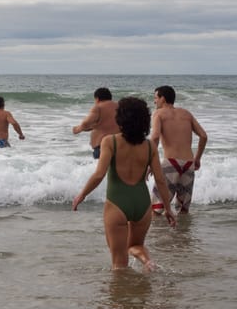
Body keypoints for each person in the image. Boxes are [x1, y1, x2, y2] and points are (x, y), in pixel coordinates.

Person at [73, 97, 177, 271]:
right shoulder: (150, 146)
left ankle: (120, 297)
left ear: (120, 118)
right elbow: (160, 180)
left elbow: (99, 174)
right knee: (135, 245)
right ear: (145, 120)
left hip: (117, 204)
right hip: (142, 204)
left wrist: (81, 195)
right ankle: (147, 261)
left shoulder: (110, 141)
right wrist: (167, 208)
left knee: (119, 263)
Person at [149, 85, 208, 214]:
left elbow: (155, 137)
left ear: (163, 99)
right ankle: (182, 234)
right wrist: (197, 158)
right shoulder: (186, 114)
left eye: (156, 98)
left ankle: (157, 234)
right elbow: (203, 136)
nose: (154, 101)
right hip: (188, 164)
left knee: (156, 209)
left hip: (171, 163)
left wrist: (151, 162)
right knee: (183, 209)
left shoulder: (158, 114)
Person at [73, 87, 119, 159]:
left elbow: (86, 123)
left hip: (102, 145)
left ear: (97, 98)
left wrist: (77, 129)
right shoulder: (119, 106)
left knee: (101, 168)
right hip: (119, 144)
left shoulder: (98, 107)